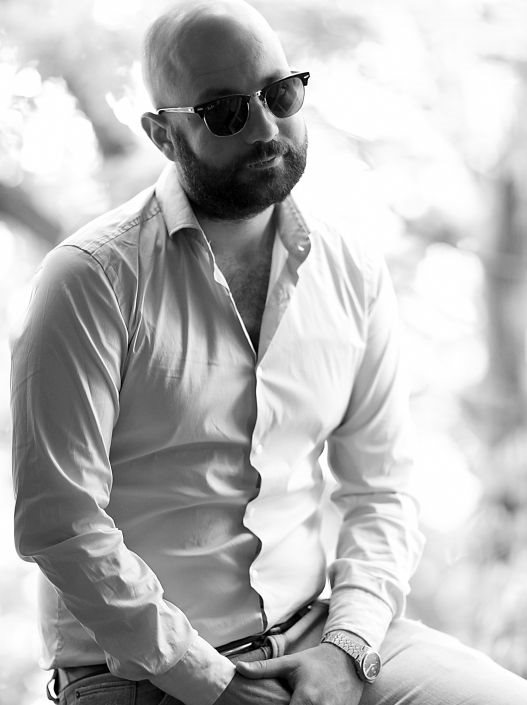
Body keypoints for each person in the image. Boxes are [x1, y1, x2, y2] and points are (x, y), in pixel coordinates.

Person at [10, 1, 527, 704]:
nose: (265, 128)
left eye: (279, 94)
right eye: (225, 112)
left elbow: (381, 490)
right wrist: (212, 682)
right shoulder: (89, 280)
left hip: (320, 635)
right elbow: (62, 523)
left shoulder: (352, 269)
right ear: (163, 135)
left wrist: (347, 647)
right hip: (140, 672)